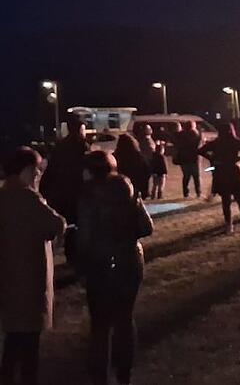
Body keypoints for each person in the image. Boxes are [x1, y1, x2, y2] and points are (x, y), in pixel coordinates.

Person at [75, 151, 153, 385]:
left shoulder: (88, 196)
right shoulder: (127, 190)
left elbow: (85, 238)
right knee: (125, 319)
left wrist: (81, 264)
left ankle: (100, 374)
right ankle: (124, 374)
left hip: (100, 263)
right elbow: (146, 227)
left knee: (100, 324)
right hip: (130, 260)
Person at [0, 147, 67, 385]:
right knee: (28, 347)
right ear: (27, 170)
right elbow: (56, 224)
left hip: (8, 280)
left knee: (12, 340)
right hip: (28, 281)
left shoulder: (4, 194)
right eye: (37, 170)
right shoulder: (28, 198)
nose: (39, 175)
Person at [198, 122, 240, 234]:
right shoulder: (234, 142)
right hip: (233, 170)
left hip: (221, 171)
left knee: (226, 200)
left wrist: (212, 158)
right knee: (239, 197)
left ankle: (229, 225)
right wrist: (238, 158)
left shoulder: (216, 143)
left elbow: (200, 151)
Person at [38, 116, 89, 225]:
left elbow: (51, 170)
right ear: (79, 129)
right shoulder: (82, 146)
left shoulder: (60, 146)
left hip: (60, 195)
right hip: (77, 194)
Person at [114, 134, 150, 200]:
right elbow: (146, 171)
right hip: (137, 186)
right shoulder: (139, 157)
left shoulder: (116, 157)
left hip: (122, 188)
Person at [173, 120, 202, 199]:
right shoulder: (194, 134)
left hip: (184, 159)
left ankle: (186, 193)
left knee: (186, 176)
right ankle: (198, 192)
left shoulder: (181, 135)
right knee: (196, 177)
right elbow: (198, 144)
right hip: (193, 158)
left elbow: (175, 139)